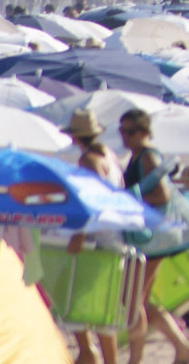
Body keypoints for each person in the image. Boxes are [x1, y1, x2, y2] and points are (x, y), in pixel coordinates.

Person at [120, 109, 189, 364]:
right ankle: (182, 348)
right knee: (138, 300)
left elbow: (162, 196)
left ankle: (136, 360)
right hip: (152, 238)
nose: (125, 136)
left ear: (145, 132)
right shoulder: (138, 156)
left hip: (153, 240)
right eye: (122, 130)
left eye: (131, 131)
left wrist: (131, 198)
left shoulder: (147, 157)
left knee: (132, 302)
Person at [66, 111, 123, 364]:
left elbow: (96, 199)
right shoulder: (108, 154)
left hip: (100, 236)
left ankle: (91, 353)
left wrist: (80, 232)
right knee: (99, 301)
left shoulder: (88, 159)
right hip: (114, 233)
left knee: (79, 297)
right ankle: (91, 353)